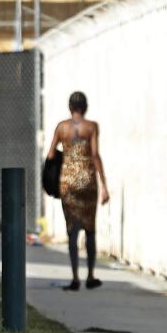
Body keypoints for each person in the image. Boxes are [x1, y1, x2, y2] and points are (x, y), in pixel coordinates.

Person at [45, 91, 110, 291]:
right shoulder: (91, 127)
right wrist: (104, 185)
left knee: (72, 229)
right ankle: (90, 276)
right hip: (87, 180)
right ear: (85, 106)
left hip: (68, 181)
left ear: (70, 107)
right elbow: (95, 154)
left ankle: (75, 278)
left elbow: (50, 154)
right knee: (90, 229)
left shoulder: (61, 127)